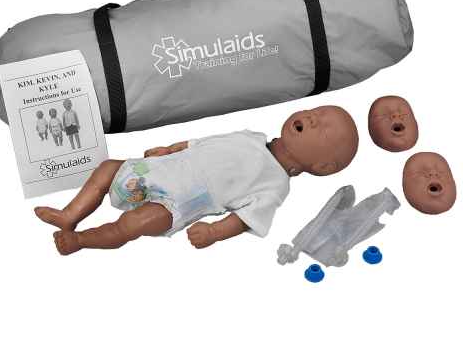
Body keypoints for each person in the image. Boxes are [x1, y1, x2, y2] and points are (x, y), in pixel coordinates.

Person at [34, 106, 359, 255]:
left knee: (132, 225)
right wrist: (170, 148)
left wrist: (216, 232)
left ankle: (81, 240)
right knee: (107, 169)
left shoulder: (276, 185)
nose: (313, 118)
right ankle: (69, 215)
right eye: (317, 112)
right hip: (161, 169)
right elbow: (205, 143)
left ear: (323, 166)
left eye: (323, 128)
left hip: (176, 204)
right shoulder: (253, 136)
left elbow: (246, 218)